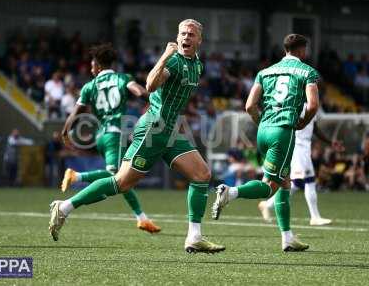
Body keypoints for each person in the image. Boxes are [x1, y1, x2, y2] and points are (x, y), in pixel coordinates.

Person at [49, 19, 225, 254]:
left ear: (199, 40)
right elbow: (150, 86)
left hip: (169, 130)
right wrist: (163, 56)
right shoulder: (172, 60)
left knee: (202, 174)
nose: (185, 38)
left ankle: (194, 237)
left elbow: (175, 98)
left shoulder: (197, 66)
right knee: (121, 182)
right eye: (182, 33)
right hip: (152, 129)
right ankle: (64, 207)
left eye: (191, 35)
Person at [212, 34, 320, 252]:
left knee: (285, 183)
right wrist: (302, 122)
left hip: (263, 131)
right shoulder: (307, 71)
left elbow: (250, 105)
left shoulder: (265, 72)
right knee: (270, 188)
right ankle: (230, 192)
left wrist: (263, 123)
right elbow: (313, 105)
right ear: (302, 50)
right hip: (283, 132)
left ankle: (287, 237)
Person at [55, 43, 161, 234]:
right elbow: (140, 92)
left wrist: (65, 132)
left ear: (97, 65)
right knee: (117, 177)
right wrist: (157, 99)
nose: (90, 68)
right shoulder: (122, 78)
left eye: (92, 65)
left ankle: (142, 218)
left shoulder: (89, 86)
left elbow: (76, 112)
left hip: (101, 136)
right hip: (115, 134)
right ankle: (77, 177)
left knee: (122, 178)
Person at [258, 105, 344, 225]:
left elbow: (314, 128)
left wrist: (330, 142)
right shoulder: (297, 101)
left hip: (304, 147)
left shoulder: (310, 102)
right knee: (308, 180)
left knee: (297, 182)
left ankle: (267, 205)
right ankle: (315, 217)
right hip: (297, 146)